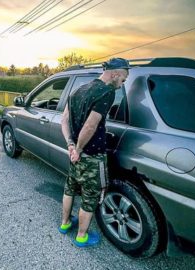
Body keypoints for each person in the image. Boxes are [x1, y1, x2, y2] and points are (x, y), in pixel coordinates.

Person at [59, 58, 130, 248]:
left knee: (69, 189)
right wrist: (79, 149)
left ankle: (65, 224)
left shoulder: (79, 89)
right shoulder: (106, 92)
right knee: (89, 198)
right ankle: (82, 236)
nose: (122, 84)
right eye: (123, 79)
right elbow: (91, 126)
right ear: (115, 74)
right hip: (91, 156)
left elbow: (64, 120)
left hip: (75, 154)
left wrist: (71, 145)